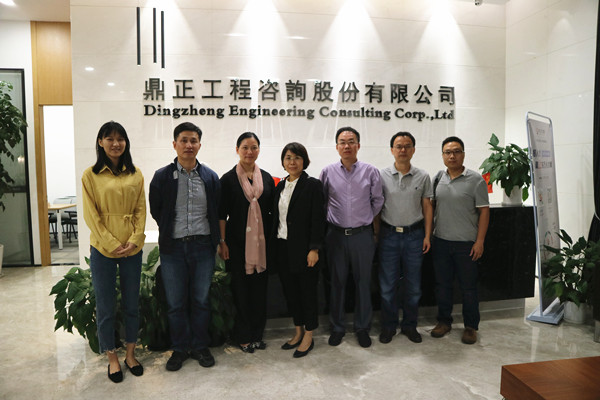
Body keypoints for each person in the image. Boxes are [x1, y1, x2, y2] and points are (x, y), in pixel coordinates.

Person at [149, 122, 221, 371]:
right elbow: (157, 210)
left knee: (200, 300)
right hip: (173, 249)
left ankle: (200, 346)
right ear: (175, 144)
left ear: (200, 145)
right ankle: (179, 348)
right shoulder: (161, 177)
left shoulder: (210, 177)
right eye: (184, 140)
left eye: (193, 141)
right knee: (175, 303)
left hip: (203, 247)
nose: (189, 145)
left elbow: (216, 211)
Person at [82, 121, 146, 383]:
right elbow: (91, 215)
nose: (115, 143)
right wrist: (110, 243)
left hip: (131, 248)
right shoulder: (90, 175)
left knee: (131, 303)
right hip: (102, 249)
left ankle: (130, 354)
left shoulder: (136, 174)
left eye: (120, 139)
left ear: (126, 142)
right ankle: (112, 357)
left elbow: (141, 210)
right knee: (106, 305)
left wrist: (135, 239)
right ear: (100, 142)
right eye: (109, 138)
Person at [319, 126, 384, 348]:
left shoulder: (370, 171)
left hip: (362, 236)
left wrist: (364, 218)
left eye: (351, 141)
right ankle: (337, 328)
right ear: (337, 146)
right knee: (337, 283)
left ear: (358, 145)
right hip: (335, 236)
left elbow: (378, 200)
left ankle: (362, 328)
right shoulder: (327, 172)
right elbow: (323, 201)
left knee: (363, 283)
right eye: (342, 142)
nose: (347, 146)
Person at [218, 132, 275, 353]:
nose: (249, 152)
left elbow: (272, 212)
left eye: (254, 147)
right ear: (237, 150)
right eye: (245, 147)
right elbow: (221, 215)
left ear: (259, 150)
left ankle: (257, 335)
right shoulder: (227, 179)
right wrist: (222, 242)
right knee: (240, 292)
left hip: (262, 246)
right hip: (236, 245)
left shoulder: (267, 178)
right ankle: (242, 337)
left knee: (259, 292)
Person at [431, 136, 490, 345]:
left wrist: (480, 241)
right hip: (441, 242)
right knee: (443, 285)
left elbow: (484, 212)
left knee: (469, 288)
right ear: (442, 156)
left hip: (466, 244)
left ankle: (471, 327)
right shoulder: (438, 178)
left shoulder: (476, 180)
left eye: (456, 151)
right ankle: (444, 322)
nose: (452, 156)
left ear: (463, 154)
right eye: (448, 152)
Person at [376, 132, 433, 345]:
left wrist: (427, 235)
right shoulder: (380, 175)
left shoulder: (423, 176)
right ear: (391, 150)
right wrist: (376, 234)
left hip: (414, 236)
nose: (403, 150)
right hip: (388, 235)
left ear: (413, 150)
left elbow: (427, 207)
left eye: (407, 146)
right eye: (398, 146)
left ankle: (410, 325)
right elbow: (376, 207)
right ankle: (388, 326)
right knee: (387, 286)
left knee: (413, 286)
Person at [272, 142, 325, 358]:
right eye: (288, 158)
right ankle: (298, 331)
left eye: (297, 157)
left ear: (304, 161)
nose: (292, 162)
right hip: (282, 247)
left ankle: (309, 335)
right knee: (291, 293)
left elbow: (318, 219)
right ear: (283, 162)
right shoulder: (280, 186)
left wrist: (315, 248)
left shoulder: (313, 185)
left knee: (307, 293)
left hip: (305, 250)